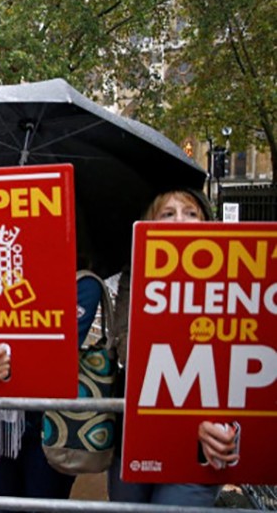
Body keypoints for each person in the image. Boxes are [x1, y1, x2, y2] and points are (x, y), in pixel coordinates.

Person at [107, 189, 237, 506]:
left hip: (201, 444)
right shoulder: (133, 271)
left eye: (191, 213)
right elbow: (126, 346)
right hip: (138, 434)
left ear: (206, 222)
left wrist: (218, 423)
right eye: (167, 213)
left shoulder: (234, 275)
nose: (180, 219)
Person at [0, 273, 100, 511]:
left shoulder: (84, 284)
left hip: (51, 424)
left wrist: (8, 358)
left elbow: (57, 355)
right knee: (4, 505)